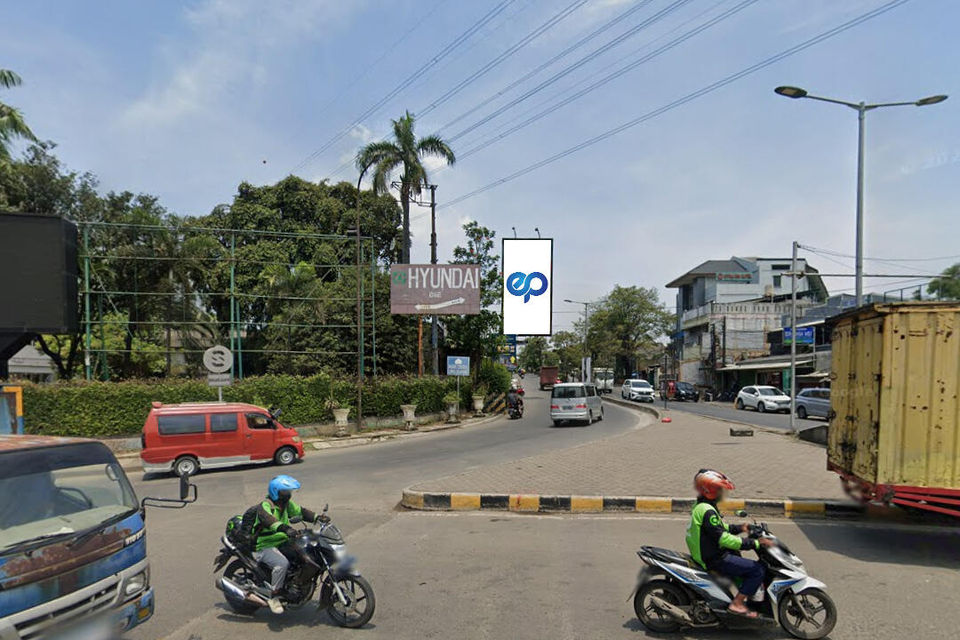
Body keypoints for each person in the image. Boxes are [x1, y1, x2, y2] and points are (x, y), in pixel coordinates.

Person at [685, 469, 773, 618]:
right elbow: (723, 538)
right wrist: (754, 544)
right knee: (757, 570)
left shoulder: (702, 506)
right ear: (709, 490)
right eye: (719, 489)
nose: (722, 493)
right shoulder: (708, 511)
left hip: (708, 552)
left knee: (739, 559)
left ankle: (742, 595)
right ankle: (737, 604)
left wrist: (741, 528)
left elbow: (719, 528)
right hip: (714, 558)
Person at [244, 475, 327, 614]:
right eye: (285, 492)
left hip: (281, 541)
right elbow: (268, 520)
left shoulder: (286, 504)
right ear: (276, 491)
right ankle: (274, 595)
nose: (288, 495)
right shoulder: (265, 506)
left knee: (305, 554)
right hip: (263, 545)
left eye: (289, 492)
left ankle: (295, 584)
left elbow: (301, 511)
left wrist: (317, 517)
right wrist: (286, 529)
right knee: (282, 563)